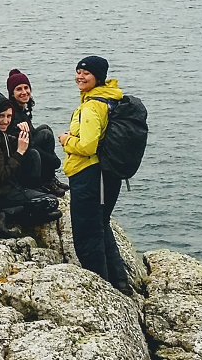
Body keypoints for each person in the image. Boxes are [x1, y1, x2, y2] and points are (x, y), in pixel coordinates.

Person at [57, 55, 132, 294]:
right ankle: (119, 281)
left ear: (98, 77)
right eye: (78, 71)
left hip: (89, 174)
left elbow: (88, 147)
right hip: (105, 174)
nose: (80, 76)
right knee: (101, 224)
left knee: (87, 231)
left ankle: (100, 286)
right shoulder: (108, 101)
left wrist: (67, 140)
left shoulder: (91, 107)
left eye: (86, 73)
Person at [0, 96, 61, 231]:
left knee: (32, 154)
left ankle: (18, 207)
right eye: (1, 116)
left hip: (7, 188)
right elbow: (0, 178)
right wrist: (19, 152)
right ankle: (5, 214)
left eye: (9, 116)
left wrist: (25, 134)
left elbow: (26, 148)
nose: (5, 121)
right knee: (51, 202)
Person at [3, 69, 69, 196]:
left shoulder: (22, 108)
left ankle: (49, 178)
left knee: (46, 128)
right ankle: (45, 181)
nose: (24, 92)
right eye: (19, 89)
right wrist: (53, 161)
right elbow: (27, 146)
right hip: (19, 155)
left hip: (28, 147)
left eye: (26, 87)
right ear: (12, 93)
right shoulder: (13, 114)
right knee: (44, 136)